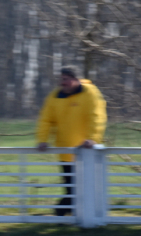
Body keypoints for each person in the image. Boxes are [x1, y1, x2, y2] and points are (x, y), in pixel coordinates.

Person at [36, 65, 107, 216]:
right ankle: (72, 215)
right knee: (71, 187)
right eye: (61, 79)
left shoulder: (90, 93)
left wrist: (92, 139)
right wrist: (42, 140)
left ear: (76, 79)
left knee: (82, 187)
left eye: (66, 79)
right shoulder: (55, 96)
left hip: (85, 151)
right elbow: (46, 119)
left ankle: (61, 213)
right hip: (65, 151)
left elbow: (97, 117)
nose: (62, 82)